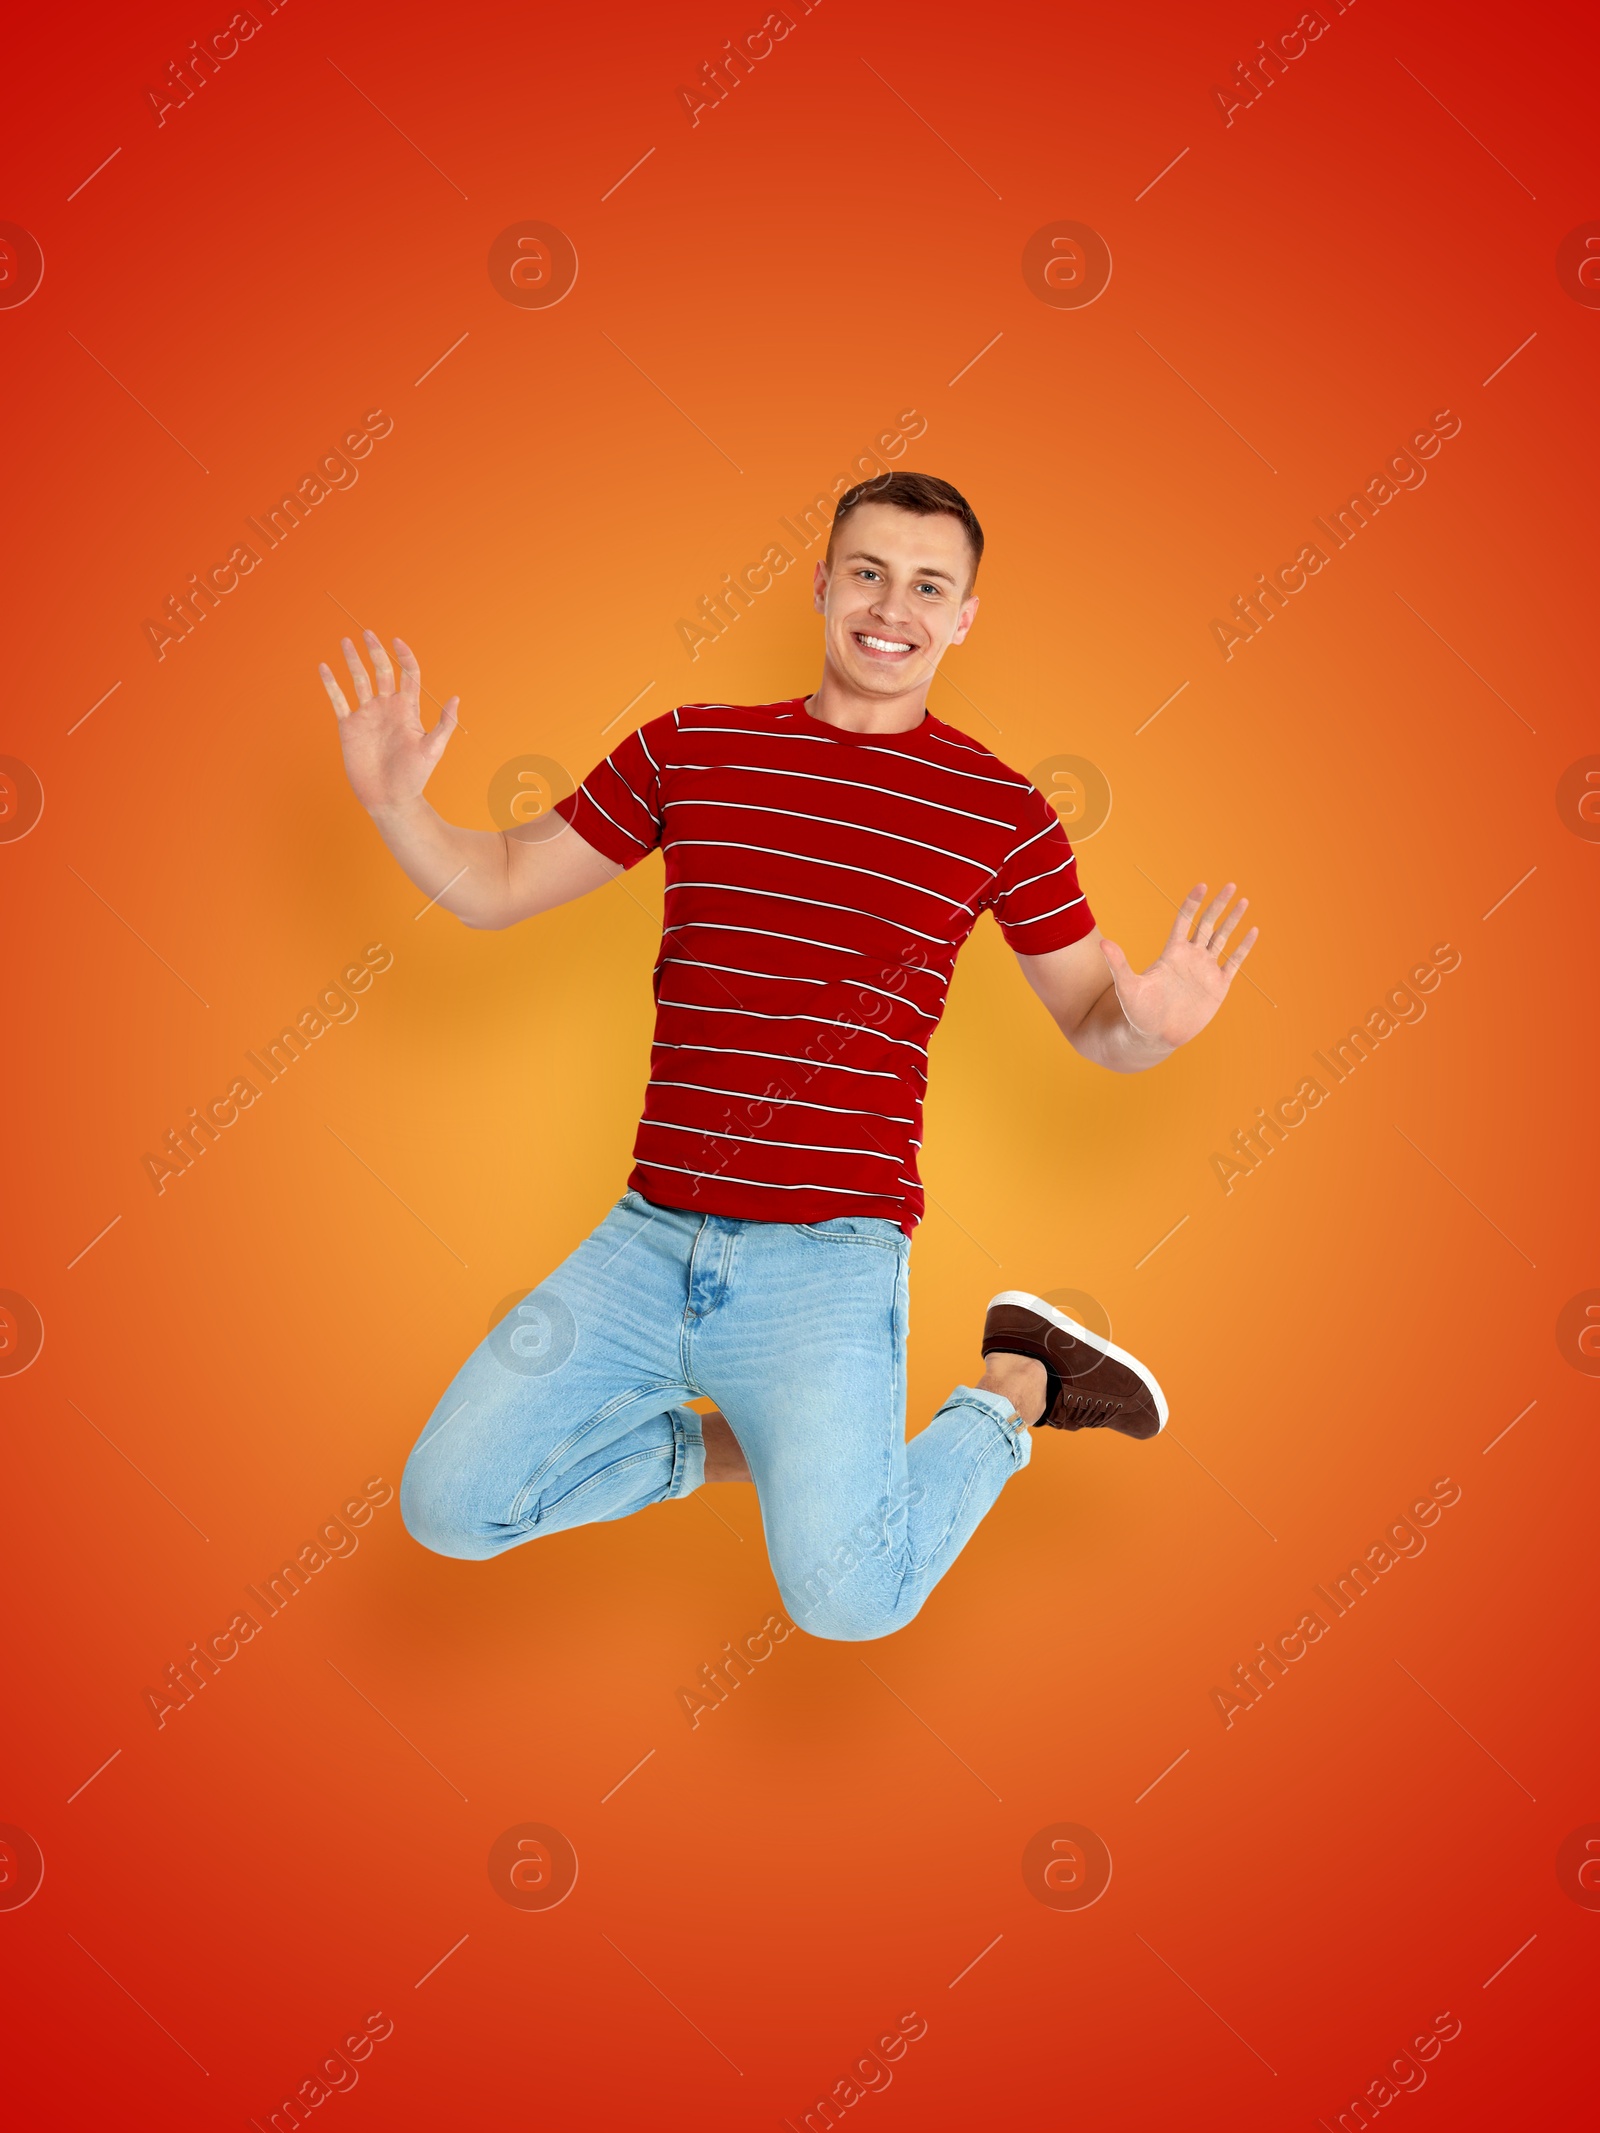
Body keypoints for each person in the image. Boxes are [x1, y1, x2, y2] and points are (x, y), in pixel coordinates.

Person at [318, 471, 1258, 1641]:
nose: (891, 606)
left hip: (829, 1263)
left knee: (851, 1607)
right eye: (867, 572)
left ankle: (1016, 1388)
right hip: (648, 1239)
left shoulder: (1001, 813)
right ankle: (745, 1443)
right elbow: (500, 885)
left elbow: (1091, 1024)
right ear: (822, 584)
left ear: (964, 617)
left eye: (929, 586)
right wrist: (398, 809)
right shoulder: (691, 748)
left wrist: (1150, 1031)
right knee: (449, 1507)